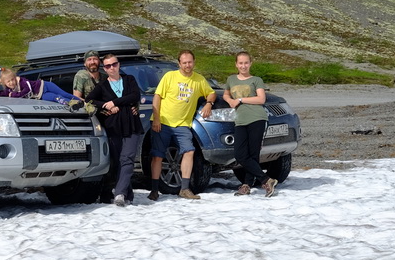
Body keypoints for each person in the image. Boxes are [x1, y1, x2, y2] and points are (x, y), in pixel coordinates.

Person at [148, 49, 216, 201]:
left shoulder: (199, 79)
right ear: (179, 63)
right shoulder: (169, 76)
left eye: (190, 62)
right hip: (163, 122)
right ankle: (154, 190)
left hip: (183, 124)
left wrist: (209, 104)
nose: (187, 65)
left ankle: (184, 189)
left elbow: (211, 93)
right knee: (158, 155)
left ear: (194, 62)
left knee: (189, 151)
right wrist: (156, 119)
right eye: (184, 62)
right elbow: (157, 97)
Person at [86, 54, 143, 206]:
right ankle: (128, 195)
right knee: (118, 161)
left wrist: (114, 102)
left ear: (119, 64)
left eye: (114, 64)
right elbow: (89, 100)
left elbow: (135, 95)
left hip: (131, 125)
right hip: (113, 127)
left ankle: (119, 194)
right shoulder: (102, 86)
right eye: (108, 66)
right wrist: (105, 105)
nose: (112, 68)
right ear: (104, 68)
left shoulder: (129, 79)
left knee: (127, 158)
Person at [224, 51, 277, 197]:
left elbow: (261, 99)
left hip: (257, 118)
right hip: (240, 120)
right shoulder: (231, 79)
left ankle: (246, 186)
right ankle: (266, 180)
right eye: (240, 63)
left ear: (250, 63)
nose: (243, 66)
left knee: (253, 154)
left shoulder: (256, 80)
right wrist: (230, 100)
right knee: (240, 154)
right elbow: (226, 94)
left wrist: (240, 100)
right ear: (236, 64)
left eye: (246, 63)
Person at [0, 67, 84, 109]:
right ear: (4, 83)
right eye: (8, 81)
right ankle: (73, 104)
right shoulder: (9, 90)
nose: (11, 82)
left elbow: (27, 90)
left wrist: (14, 95)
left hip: (44, 85)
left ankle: (83, 103)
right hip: (40, 95)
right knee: (56, 98)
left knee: (64, 94)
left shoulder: (22, 81)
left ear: (15, 77)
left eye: (12, 79)